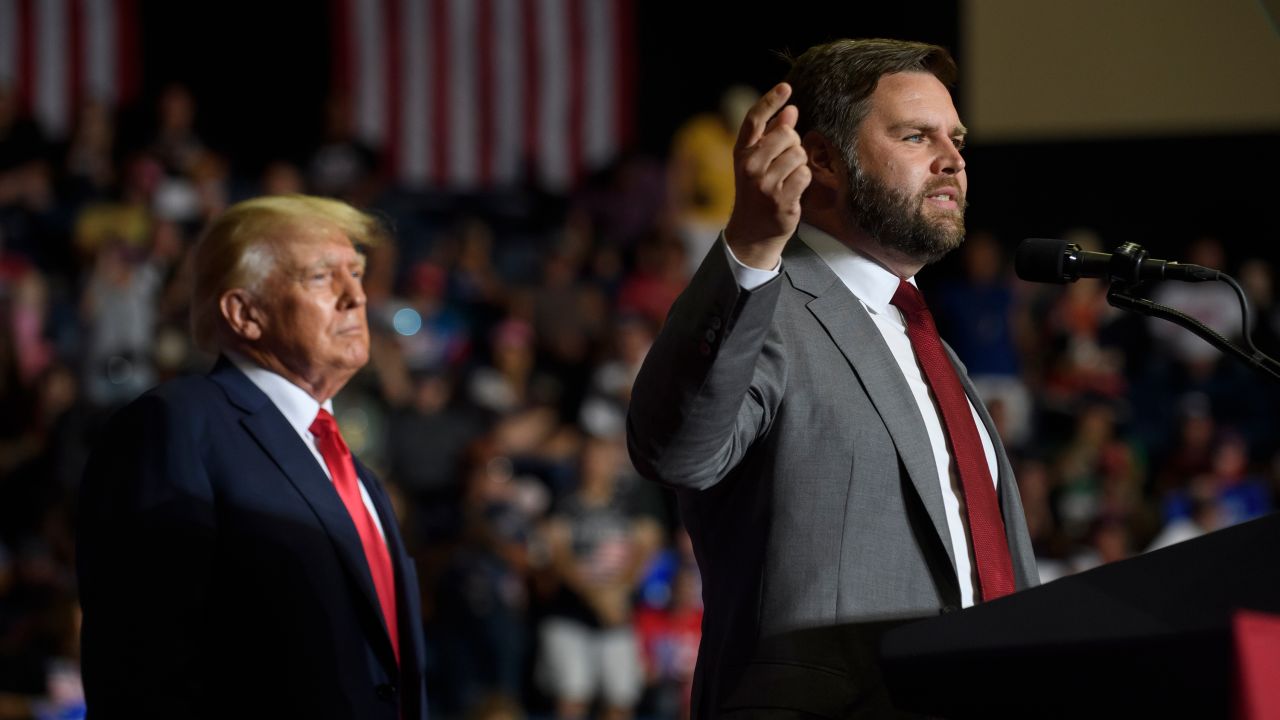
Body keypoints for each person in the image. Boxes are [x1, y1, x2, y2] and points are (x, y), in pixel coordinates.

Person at [626, 39, 1039, 717]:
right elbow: (676, 449)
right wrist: (751, 247)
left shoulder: (936, 351)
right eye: (916, 136)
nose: (953, 160)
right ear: (820, 159)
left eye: (956, 139)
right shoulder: (767, 305)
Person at [76, 195, 428, 719]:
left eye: (356, 272)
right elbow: (141, 666)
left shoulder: (359, 477)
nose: (356, 296)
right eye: (320, 277)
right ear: (245, 313)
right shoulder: (177, 424)